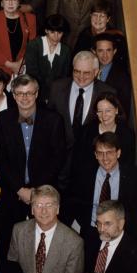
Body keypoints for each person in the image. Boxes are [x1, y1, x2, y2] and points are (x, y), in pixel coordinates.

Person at [48, 51, 115, 198]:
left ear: (96, 72)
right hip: (59, 165)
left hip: (89, 165)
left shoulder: (107, 92)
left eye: (87, 73)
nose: (81, 77)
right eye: (77, 71)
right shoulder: (57, 88)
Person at [0, 75, 66, 209]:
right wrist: (19, 189)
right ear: (14, 95)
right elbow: (1, 159)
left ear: (37, 94)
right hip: (12, 191)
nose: (24, 98)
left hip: (45, 191)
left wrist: (35, 190)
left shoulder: (54, 120)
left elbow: (57, 159)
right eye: (20, 93)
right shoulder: (2, 119)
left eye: (29, 93)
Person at [70, 132, 137, 243]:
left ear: (118, 153)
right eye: (100, 153)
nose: (105, 158)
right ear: (95, 155)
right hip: (91, 232)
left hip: (118, 235)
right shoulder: (84, 174)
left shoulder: (134, 176)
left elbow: (134, 213)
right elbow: (76, 203)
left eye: (109, 152)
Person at [73, 93, 135, 170]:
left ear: (116, 110)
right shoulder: (86, 132)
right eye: (100, 111)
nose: (104, 115)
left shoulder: (127, 135)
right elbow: (79, 162)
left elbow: (128, 164)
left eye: (108, 111)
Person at [25, 14, 72, 104]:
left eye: (59, 33)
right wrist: (44, 96)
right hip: (35, 95)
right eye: (52, 32)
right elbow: (32, 74)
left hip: (56, 96)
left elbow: (64, 77)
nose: (56, 36)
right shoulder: (34, 45)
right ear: (46, 30)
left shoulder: (66, 51)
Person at [73, 0, 127, 67]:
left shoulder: (117, 37)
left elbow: (121, 64)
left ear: (108, 19)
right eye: (95, 15)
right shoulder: (84, 34)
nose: (98, 19)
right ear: (90, 16)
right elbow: (76, 59)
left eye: (102, 16)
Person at [92, 33, 132, 119]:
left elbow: (123, 112)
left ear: (114, 51)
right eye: (100, 51)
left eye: (108, 50)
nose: (105, 55)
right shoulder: (88, 70)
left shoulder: (123, 78)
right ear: (94, 52)